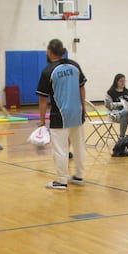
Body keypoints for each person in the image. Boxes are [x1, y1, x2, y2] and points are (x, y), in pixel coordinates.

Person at [36, 38, 87, 190]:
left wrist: (42, 120)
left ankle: (61, 180)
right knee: (78, 146)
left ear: (49, 52)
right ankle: (79, 175)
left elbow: (43, 99)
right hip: (77, 113)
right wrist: (82, 107)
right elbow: (82, 88)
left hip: (60, 115)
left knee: (60, 149)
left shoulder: (48, 71)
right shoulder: (75, 66)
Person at [105, 73, 128, 139]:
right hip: (114, 114)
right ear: (116, 81)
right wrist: (121, 104)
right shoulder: (110, 92)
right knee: (125, 116)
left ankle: (120, 114)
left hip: (125, 113)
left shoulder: (126, 91)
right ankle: (121, 137)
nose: (123, 83)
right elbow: (108, 105)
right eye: (121, 81)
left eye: (124, 81)